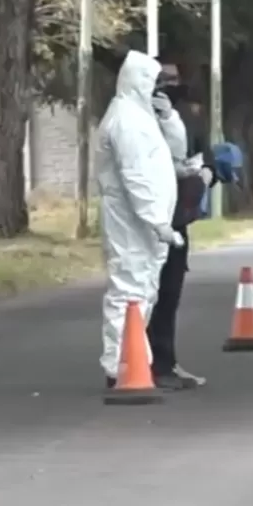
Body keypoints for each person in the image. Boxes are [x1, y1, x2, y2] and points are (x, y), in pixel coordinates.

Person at [96, 50, 179, 388]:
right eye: (155, 81)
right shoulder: (125, 121)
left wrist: (170, 118)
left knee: (143, 288)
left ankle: (133, 359)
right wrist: (157, 220)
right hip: (131, 219)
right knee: (128, 286)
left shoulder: (141, 116)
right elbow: (136, 175)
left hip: (144, 221)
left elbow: (171, 152)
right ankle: (119, 364)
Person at [146, 64, 215, 390]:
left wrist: (204, 174)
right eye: (161, 79)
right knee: (141, 295)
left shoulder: (188, 114)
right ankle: (136, 362)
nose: (168, 85)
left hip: (176, 218)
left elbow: (207, 157)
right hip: (143, 220)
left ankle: (163, 361)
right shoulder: (135, 119)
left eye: (173, 79)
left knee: (168, 294)